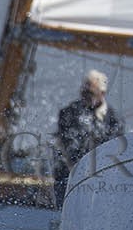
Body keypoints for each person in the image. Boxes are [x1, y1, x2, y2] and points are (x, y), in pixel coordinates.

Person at [52, 69, 124, 205]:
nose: (85, 96)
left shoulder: (115, 120)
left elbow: (114, 150)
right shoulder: (68, 113)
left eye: (90, 93)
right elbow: (69, 145)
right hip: (69, 176)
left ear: (102, 94)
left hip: (100, 180)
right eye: (83, 92)